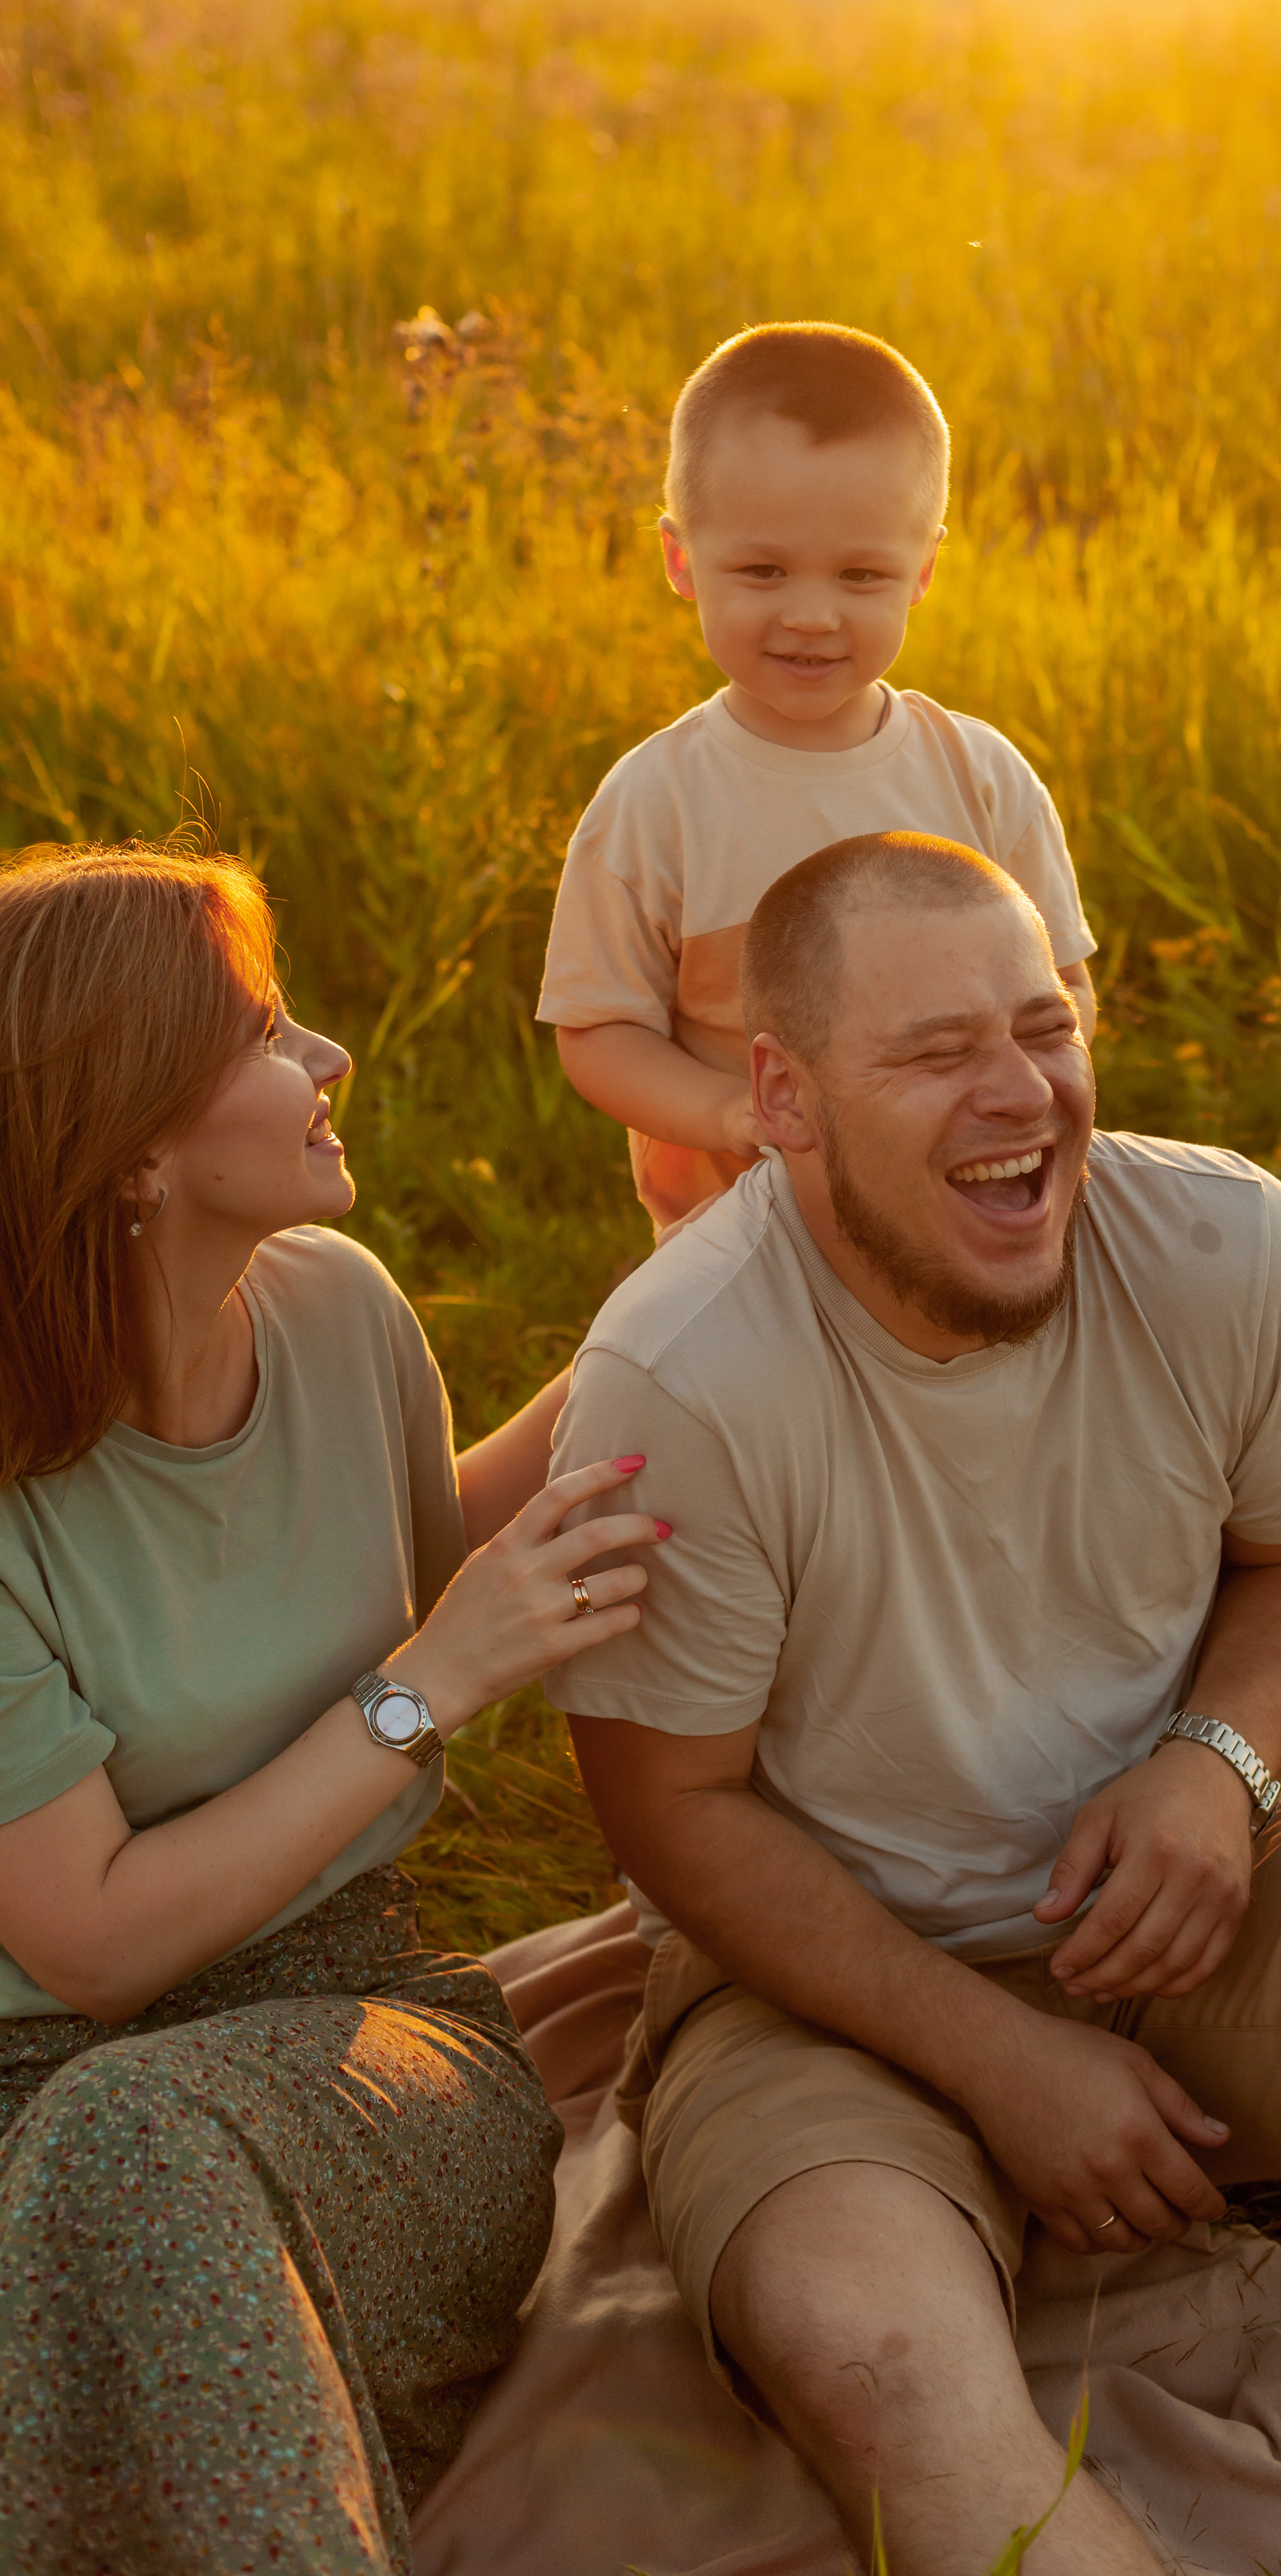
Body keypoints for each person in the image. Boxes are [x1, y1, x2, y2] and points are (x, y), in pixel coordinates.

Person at [552, 830, 1281, 2576]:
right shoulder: (685, 1378)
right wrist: (1005, 2066)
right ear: (781, 1102)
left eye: (1046, 1024)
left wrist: (1216, 1760)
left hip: (1177, 1916)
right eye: (939, 1053)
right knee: (868, 2342)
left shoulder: (1226, 1247)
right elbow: (669, 1811)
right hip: (817, 1999)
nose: (1022, 1093)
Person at [0, 843, 669, 2575]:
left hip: (371, 2035)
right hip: (32, 2089)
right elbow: (85, 1946)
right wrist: (429, 1685)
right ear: (134, 1144)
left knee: (127, 2152)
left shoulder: (344, 1318)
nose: (331, 1062)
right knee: (106, 2150)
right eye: (268, 1032)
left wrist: (675, 1306)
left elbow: (416, 1564)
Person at [538, 319, 1099, 1236]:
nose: (811, 614)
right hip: (741, 1237)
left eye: (861, 575)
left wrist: (1007, 1104)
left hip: (958, 1219)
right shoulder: (657, 802)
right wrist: (733, 1113)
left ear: (922, 573)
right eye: (761, 570)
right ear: (681, 561)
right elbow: (600, 1033)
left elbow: (1062, 997)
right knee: (633, 1380)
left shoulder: (980, 778)